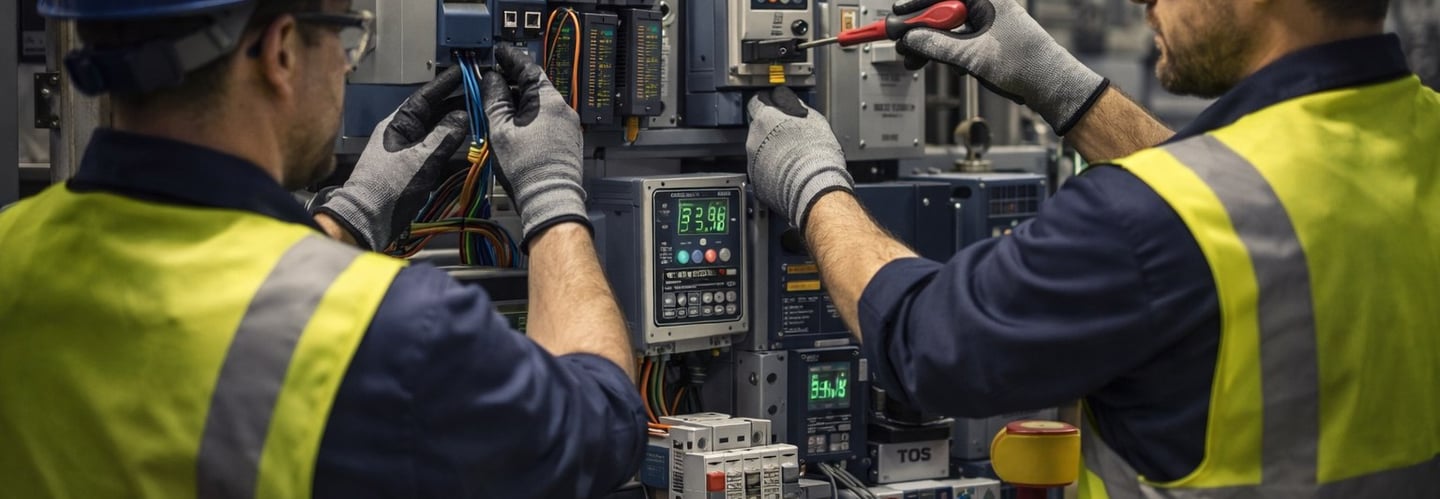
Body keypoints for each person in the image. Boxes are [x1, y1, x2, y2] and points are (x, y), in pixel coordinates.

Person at [745, 0, 1439, 495]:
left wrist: (813, 186)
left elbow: (927, 341)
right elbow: (1263, 189)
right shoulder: (1420, 135)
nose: (1146, 4)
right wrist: (1063, 87)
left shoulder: (1143, 221)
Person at [0, 1, 645, 497]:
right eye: (347, 39)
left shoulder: (12, 249)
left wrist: (350, 217)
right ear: (280, 52)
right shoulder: (398, 332)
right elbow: (604, 426)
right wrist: (554, 196)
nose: (345, 63)